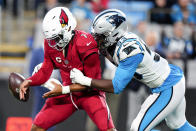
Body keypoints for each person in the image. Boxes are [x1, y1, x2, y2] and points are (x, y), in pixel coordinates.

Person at [66, 9, 196, 131]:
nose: (97, 39)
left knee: (137, 128)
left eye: (100, 36)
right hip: (168, 80)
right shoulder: (117, 42)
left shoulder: (128, 50)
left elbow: (116, 87)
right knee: (178, 125)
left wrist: (84, 80)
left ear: (114, 34)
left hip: (168, 85)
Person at [19, 7, 115, 131]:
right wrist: (29, 81)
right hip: (68, 95)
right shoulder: (50, 43)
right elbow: (45, 70)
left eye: (56, 37)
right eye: (51, 38)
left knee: (108, 129)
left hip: (91, 94)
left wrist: (63, 89)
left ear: (68, 28)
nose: (53, 43)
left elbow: (91, 83)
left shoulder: (86, 44)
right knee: (37, 126)